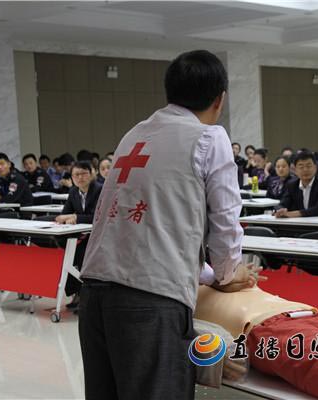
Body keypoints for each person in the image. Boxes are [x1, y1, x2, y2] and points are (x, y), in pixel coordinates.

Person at [78, 50, 257, 400]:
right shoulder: (209, 137)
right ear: (219, 100)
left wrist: (208, 276)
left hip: (95, 294)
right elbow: (225, 221)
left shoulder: (134, 135)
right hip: (150, 303)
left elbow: (154, 229)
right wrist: (226, 273)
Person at [55, 161, 103, 311]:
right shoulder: (73, 192)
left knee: (79, 253)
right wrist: (67, 217)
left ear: (92, 174)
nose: (80, 177)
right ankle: (76, 292)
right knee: (66, 253)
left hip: (98, 236)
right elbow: (65, 214)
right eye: (76, 175)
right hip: (81, 235)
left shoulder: (100, 190)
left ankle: (85, 296)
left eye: (83, 173)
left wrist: (76, 217)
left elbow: (98, 216)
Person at [275, 151, 318, 218]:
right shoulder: (292, 185)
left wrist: (293, 214)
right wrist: (280, 210)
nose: (305, 170)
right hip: (297, 222)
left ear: (315, 168)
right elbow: (282, 204)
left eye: (309, 166)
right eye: (301, 167)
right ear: (295, 170)